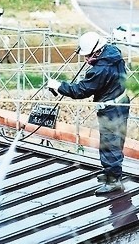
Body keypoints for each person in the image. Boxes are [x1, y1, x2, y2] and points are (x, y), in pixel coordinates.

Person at [47, 31, 130, 195]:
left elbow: (80, 91)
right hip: (121, 101)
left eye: (88, 56)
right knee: (116, 140)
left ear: (98, 51)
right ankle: (111, 173)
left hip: (111, 109)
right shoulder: (113, 53)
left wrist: (58, 86)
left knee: (109, 143)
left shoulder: (100, 70)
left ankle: (113, 181)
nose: (86, 60)